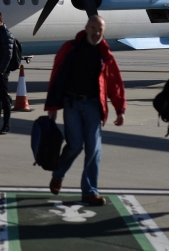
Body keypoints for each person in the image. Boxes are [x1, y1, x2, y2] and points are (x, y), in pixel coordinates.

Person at [45, 16, 126, 206]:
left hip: (93, 106)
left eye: (100, 30)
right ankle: (58, 175)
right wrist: (52, 106)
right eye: (93, 28)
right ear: (86, 28)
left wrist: (120, 109)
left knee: (94, 149)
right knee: (74, 145)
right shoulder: (70, 48)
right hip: (72, 104)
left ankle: (90, 192)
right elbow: (57, 75)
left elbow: (114, 82)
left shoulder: (105, 54)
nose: (96, 33)